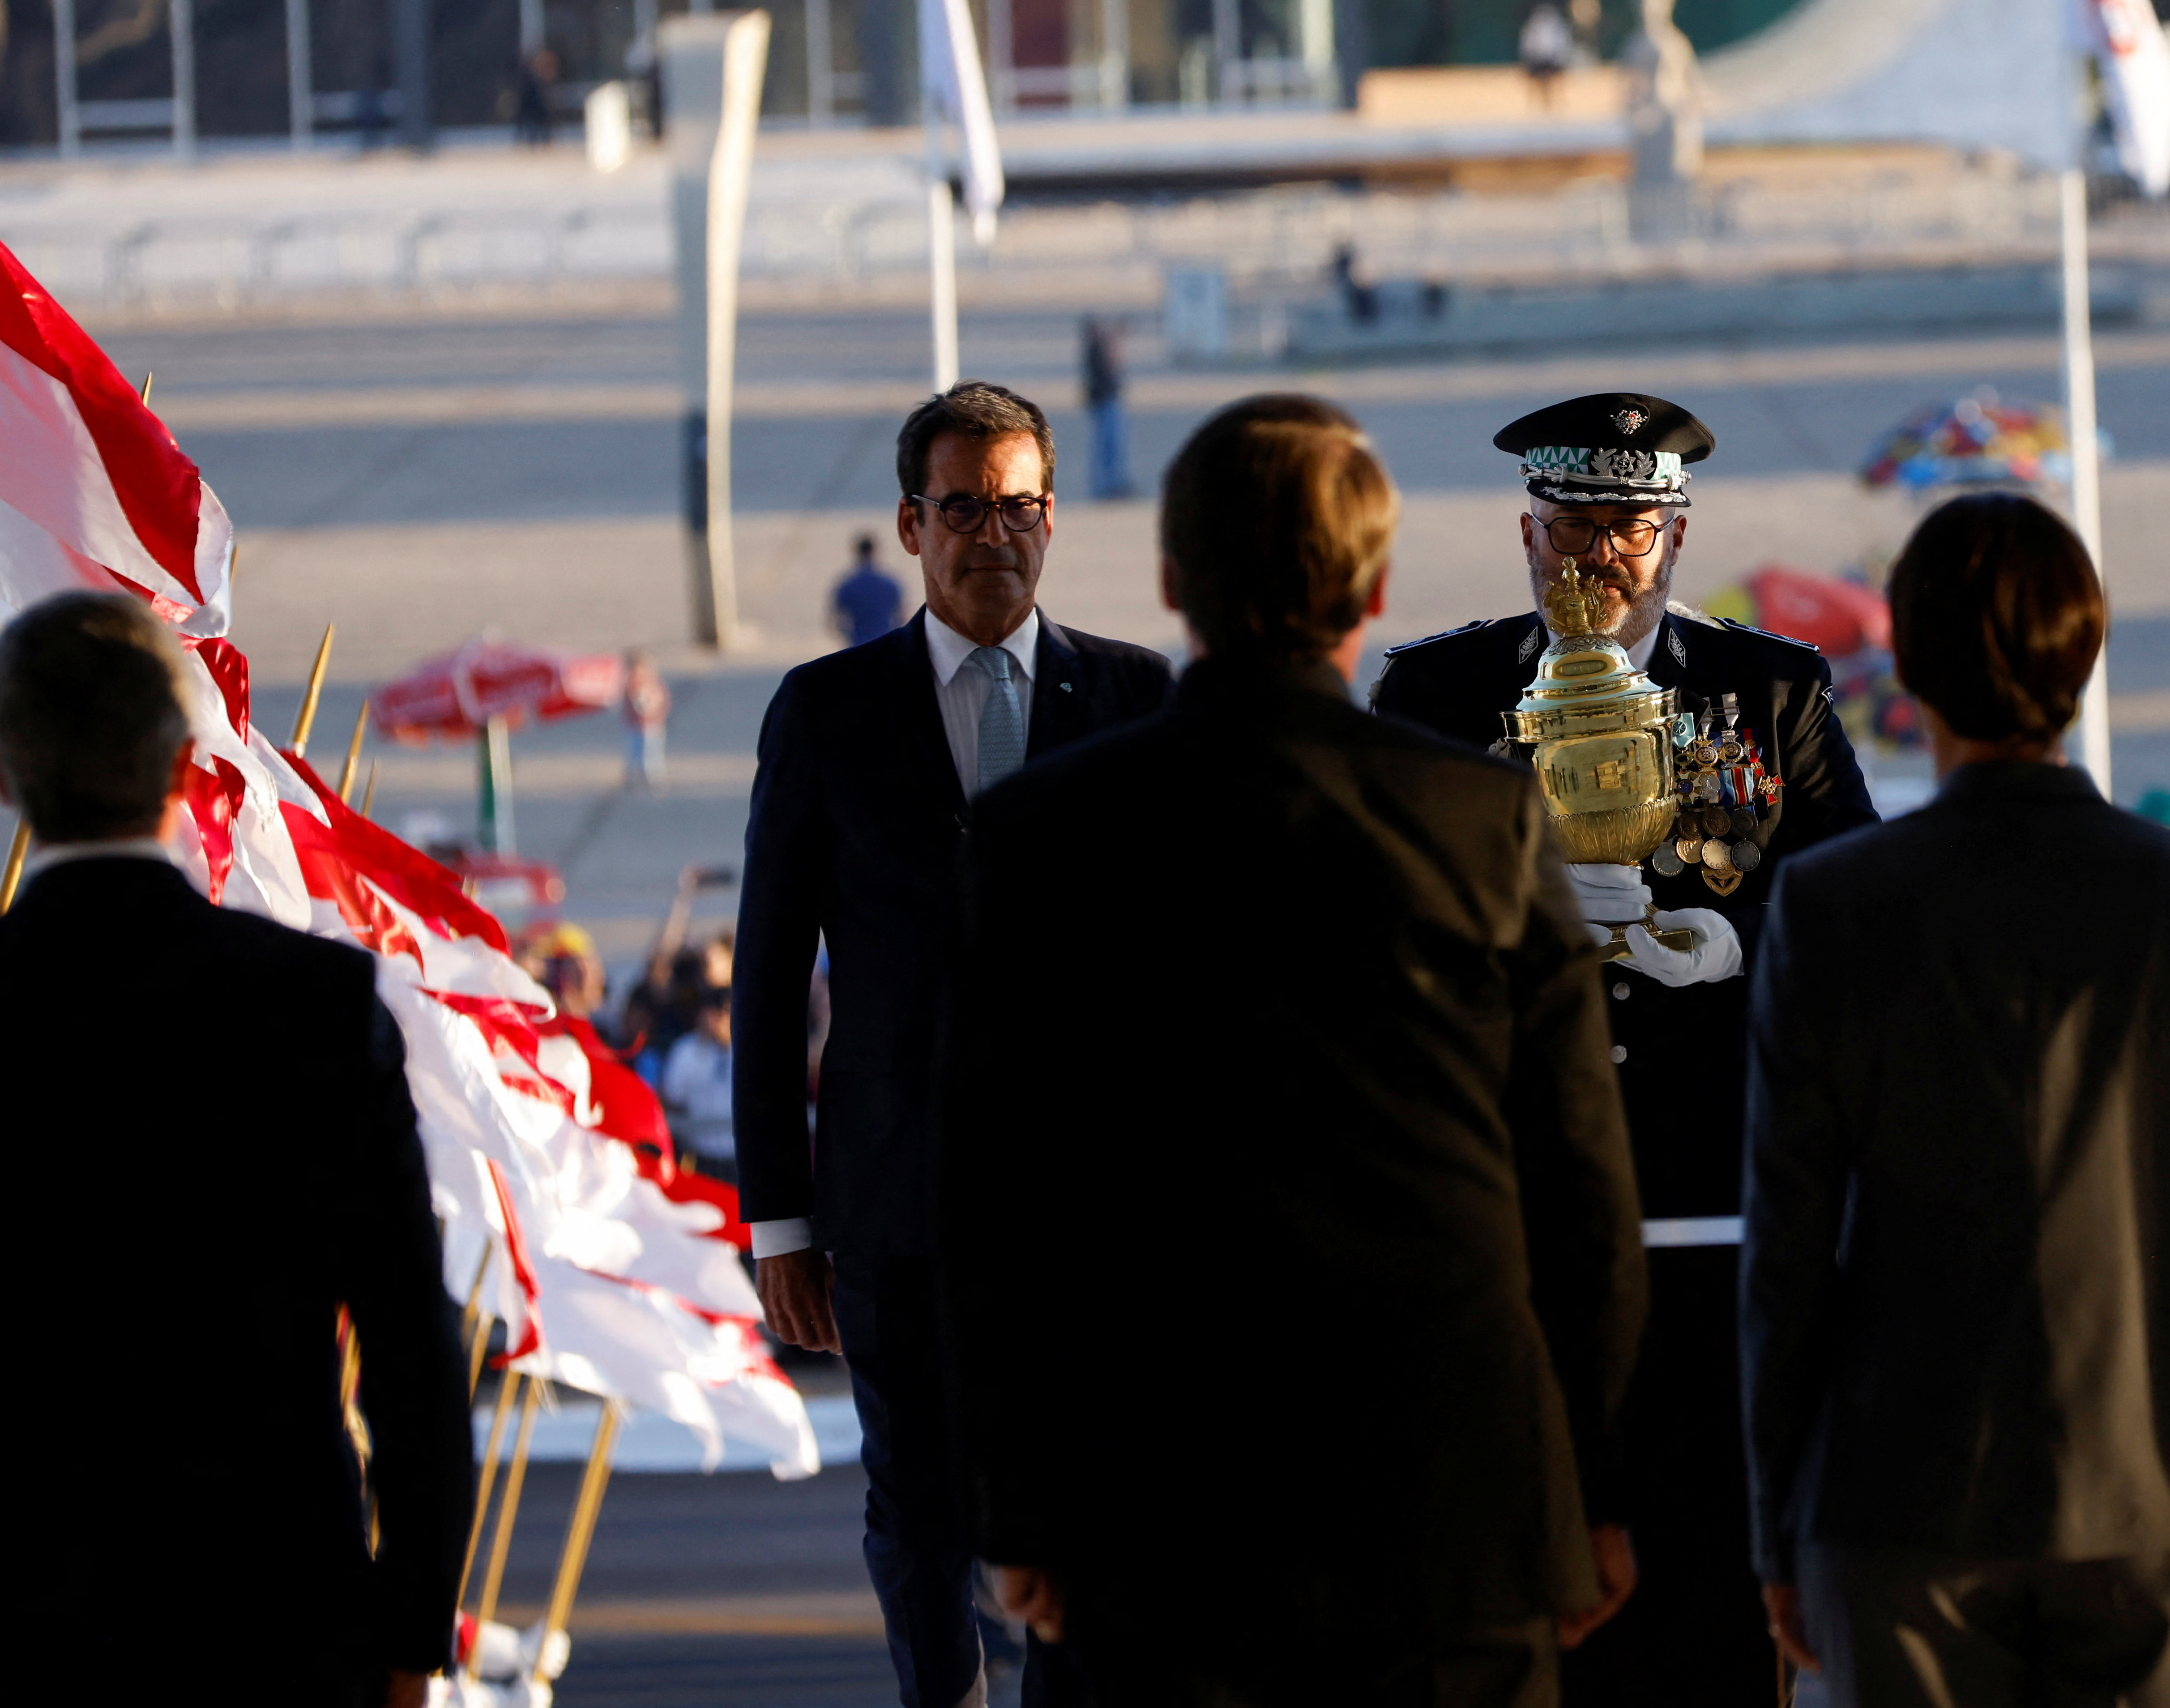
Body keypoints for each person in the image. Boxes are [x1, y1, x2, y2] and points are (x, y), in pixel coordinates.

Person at [940, 393, 1647, 1703]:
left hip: (1152, 1504)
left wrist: (1015, 1507)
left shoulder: (1043, 834)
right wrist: (1591, 1486)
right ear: (1372, 587)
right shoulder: (1483, 819)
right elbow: (1579, 1192)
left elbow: (996, 1205)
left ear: (1167, 579)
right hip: (1455, 1503)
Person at [1744, 494, 2170, 1705]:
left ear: (1903, 663)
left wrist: (1772, 1527)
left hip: (1896, 1499)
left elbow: (1785, 1255)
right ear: (2086, 653)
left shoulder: (1829, 906)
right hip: (2156, 1495)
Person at [1371, 390, 1877, 1705]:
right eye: (1572, 528)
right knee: (1525, 1583)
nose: (1599, 557)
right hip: (1517, 1194)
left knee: (1715, 1581)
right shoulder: (1435, 693)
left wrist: (1727, 941)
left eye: (1630, 529)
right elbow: (1381, 928)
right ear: (1524, 535)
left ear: (1678, 532)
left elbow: (1859, 913)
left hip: (1710, 1191)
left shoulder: (1770, 692)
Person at [0, 592, 473, 1702]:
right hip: (279, 1610)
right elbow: (413, 1351)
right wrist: (411, 1633)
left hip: (15, 1622)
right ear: (185, 770)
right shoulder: (315, 1001)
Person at [735, 382, 1173, 1708]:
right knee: (919, 1514)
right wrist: (778, 1222)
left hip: (1086, 1209)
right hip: (891, 1195)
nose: (996, 532)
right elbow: (764, 977)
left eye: (1020, 504)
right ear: (912, 525)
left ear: (1052, 517)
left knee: (1086, 1515)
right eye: (966, 505)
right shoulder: (824, 711)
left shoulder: (1137, 695)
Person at [662, 985, 739, 1182]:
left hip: (739, 1155)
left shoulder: (745, 1049)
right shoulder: (686, 1051)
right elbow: (672, 1096)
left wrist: (726, 1043)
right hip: (702, 1155)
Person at [1080, 314, 1129, 502]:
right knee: (1108, 447)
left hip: (1104, 404)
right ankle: (1107, 487)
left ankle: (1110, 485)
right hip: (1106, 404)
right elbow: (1113, 365)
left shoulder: (1094, 350)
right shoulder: (1097, 351)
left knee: (1108, 447)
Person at [833, 534, 907, 649]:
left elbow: (836, 621)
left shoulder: (847, 585)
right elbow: (901, 618)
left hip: (857, 645)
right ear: (874, 552)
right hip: (884, 644)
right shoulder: (890, 583)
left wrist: (849, 636)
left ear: (857, 553)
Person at [623, 648, 670, 786]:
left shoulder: (652, 684)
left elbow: (660, 700)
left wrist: (656, 711)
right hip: (635, 726)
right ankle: (634, 776)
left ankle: (653, 777)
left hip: (653, 725)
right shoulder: (631, 686)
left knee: (652, 752)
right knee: (635, 752)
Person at [1521, 0, 1575, 108]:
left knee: (1551, 74)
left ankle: (1553, 100)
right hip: (1538, 61)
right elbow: (1528, 46)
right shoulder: (1533, 27)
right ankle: (1541, 101)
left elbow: (1563, 46)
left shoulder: (1558, 27)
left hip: (1553, 61)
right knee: (1540, 75)